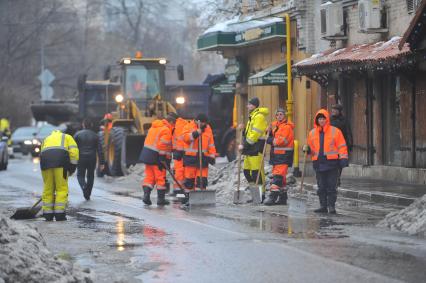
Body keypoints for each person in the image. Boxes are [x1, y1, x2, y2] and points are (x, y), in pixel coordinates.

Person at [303, 109, 348, 214]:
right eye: (319, 119)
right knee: (321, 186)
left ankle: (331, 206)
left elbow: (342, 146)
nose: (321, 121)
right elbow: (311, 148)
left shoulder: (335, 131)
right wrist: (307, 149)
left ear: (327, 119)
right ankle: (323, 206)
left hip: (332, 163)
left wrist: (343, 158)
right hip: (318, 163)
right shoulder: (312, 133)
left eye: (323, 119)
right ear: (317, 120)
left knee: (331, 186)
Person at [40, 129, 79, 221]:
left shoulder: (46, 139)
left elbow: (41, 153)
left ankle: (47, 214)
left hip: (45, 164)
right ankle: (59, 214)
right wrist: (72, 168)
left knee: (48, 188)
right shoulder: (67, 137)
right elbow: (74, 153)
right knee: (61, 188)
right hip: (61, 164)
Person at [139, 112, 177, 206]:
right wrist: (162, 158)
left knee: (149, 177)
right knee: (160, 178)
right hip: (156, 157)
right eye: (174, 124)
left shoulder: (154, 127)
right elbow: (162, 145)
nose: (174, 126)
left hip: (147, 155)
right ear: (171, 122)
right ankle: (161, 200)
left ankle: (146, 195)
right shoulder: (166, 130)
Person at [238, 97, 269, 199]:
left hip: (256, 148)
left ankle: (260, 195)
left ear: (254, 105)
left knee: (256, 173)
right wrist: (243, 130)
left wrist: (243, 145)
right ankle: (254, 193)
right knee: (247, 172)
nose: (247, 106)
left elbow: (254, 135)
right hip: (249, 150)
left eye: (249, 104)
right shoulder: (252, 116)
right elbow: (248, 134)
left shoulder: (259, 117)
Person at [181, 113, 216, 204]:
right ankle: (189, 198)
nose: (204, 125)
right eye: (202, 123)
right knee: (189, 181)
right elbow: (185, 138)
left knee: (202, 180)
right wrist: (196, 133)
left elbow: (211, 144)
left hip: (203, 158)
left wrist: (212, 156)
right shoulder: (188, 126)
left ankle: (199, 200)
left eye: (205, 123)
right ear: (196, 121)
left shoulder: (208, 129)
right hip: (191, 158)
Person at [264, 108, 294, 206]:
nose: (279, 116)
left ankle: (272, 197)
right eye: (278, 114)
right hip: (277, 156)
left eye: (281, 114)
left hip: (284, 155)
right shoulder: (276, 125)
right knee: (282, 178)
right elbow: (272, 132)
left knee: (277, 176)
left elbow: (280, 141)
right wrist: (267, 131)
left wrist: (269, 139)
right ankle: (283, 197)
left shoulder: (286, 127)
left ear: (284, 116)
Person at [73, 119, 104, 200]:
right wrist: (102, 163)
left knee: (80, 175)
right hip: (92, 158)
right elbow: (100, 150)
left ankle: (83, 186)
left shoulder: (77, 134)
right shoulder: (95, 135)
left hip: (81, 158)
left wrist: (71, 160)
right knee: (91, 176)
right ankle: (88, 194)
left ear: (83, 125)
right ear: (91, 125)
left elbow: (72, 148)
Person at [330, 104, 353, 187]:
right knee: (333, 162)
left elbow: (348, 132)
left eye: (335, 110)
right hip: (331, 145)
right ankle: (333, 178)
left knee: (340, 163)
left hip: (341, 145)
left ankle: (337, 178)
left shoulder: (344, 120)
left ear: (339, 111)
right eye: (332, 110)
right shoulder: (329, 120)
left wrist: (350, 143)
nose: (333, 111)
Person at [171, 115, 188, 195]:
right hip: (179, 151)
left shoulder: (179, 126)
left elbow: (181, 139)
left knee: (179, 169)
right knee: (178, 169)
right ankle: (179, 188)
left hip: (180, 152)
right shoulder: (179, 124)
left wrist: (179, 151)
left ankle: (179, 189)